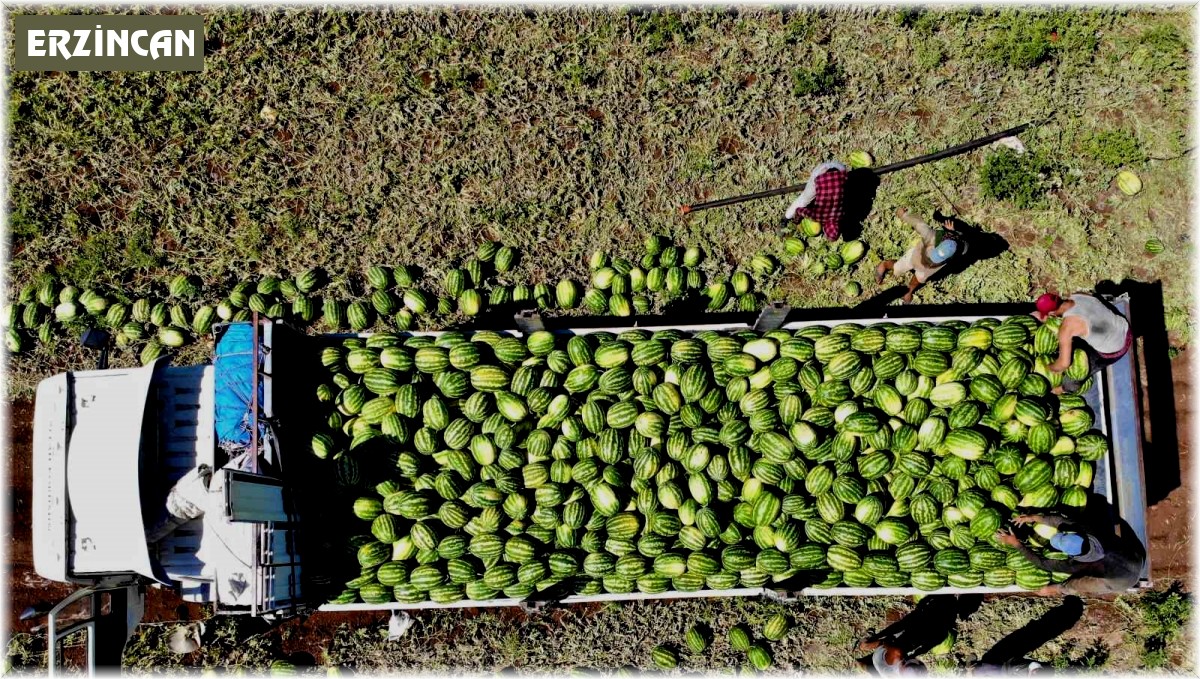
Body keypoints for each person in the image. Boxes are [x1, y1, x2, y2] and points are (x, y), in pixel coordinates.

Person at [995, 512, 1146, 596]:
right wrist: (1034, 517)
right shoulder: (1089, 531)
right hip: (1134, 556)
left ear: (1071, 556)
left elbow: (1041, 563)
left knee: (1077, 584)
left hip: (1120, 580)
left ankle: (1052, 590)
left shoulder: (1078, 566)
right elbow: (1060, 521)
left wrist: (1016, 544)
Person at [1032, 292, 1132, 394]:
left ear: (1052, 313)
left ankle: (1064, 389)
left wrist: (1048, 367)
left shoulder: (1066, 328)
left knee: (1075, 374)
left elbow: (1064, 364)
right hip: (1124, 327)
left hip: (1116, 348)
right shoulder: (1078, 295)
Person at [874, 208, 964, 304]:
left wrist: (953, 232)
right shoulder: (931, 235)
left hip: (928, 269)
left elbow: (963, 241)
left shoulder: (959, 249)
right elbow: (918, 224)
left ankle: (908, 292)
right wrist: (904, 215)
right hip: (914, 257)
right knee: (898, 267)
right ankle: (884, 264)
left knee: (919, 278)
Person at [784, 161, 849, 241]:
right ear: (824, 229)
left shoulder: (842, 214)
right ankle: (786, 216)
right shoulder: (817, 216)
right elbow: (799, 210)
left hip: (841, 168)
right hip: (820, 173)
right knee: (804, 199)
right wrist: (796, 220)